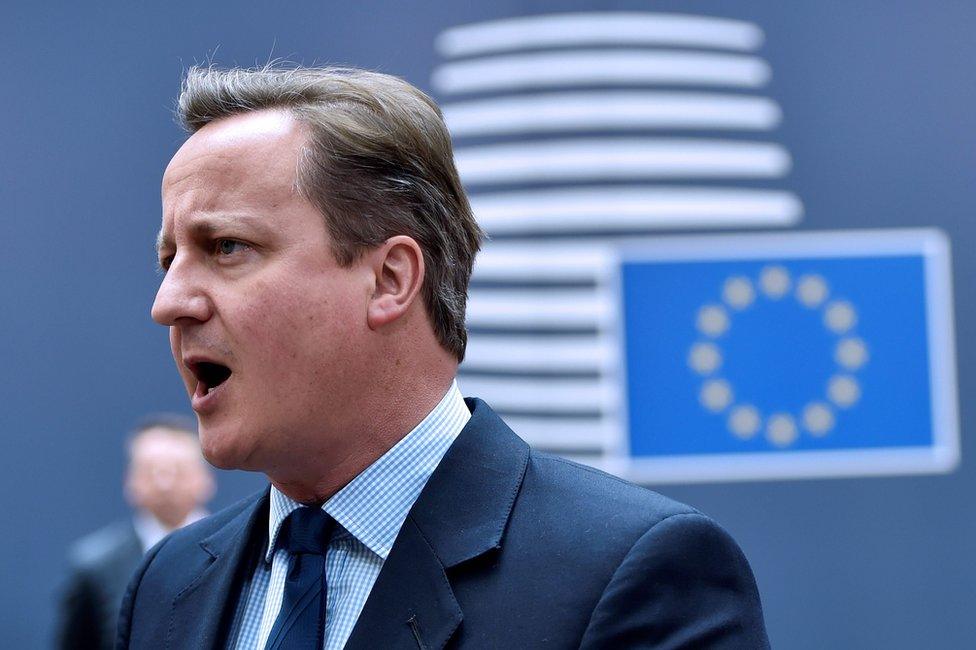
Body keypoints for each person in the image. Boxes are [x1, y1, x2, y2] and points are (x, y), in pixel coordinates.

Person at [118, 65, 770, 649]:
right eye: (168, 259)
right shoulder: (164, 584)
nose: (169, 301)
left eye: (227, 247)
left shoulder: (634, 574)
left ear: (391, 279)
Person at [56, 416, 214, 650]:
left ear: (205, 479)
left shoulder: (243, 550)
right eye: (151, 471)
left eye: (178, 470)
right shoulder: (95, 565)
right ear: (131, 481)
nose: (165, 484)